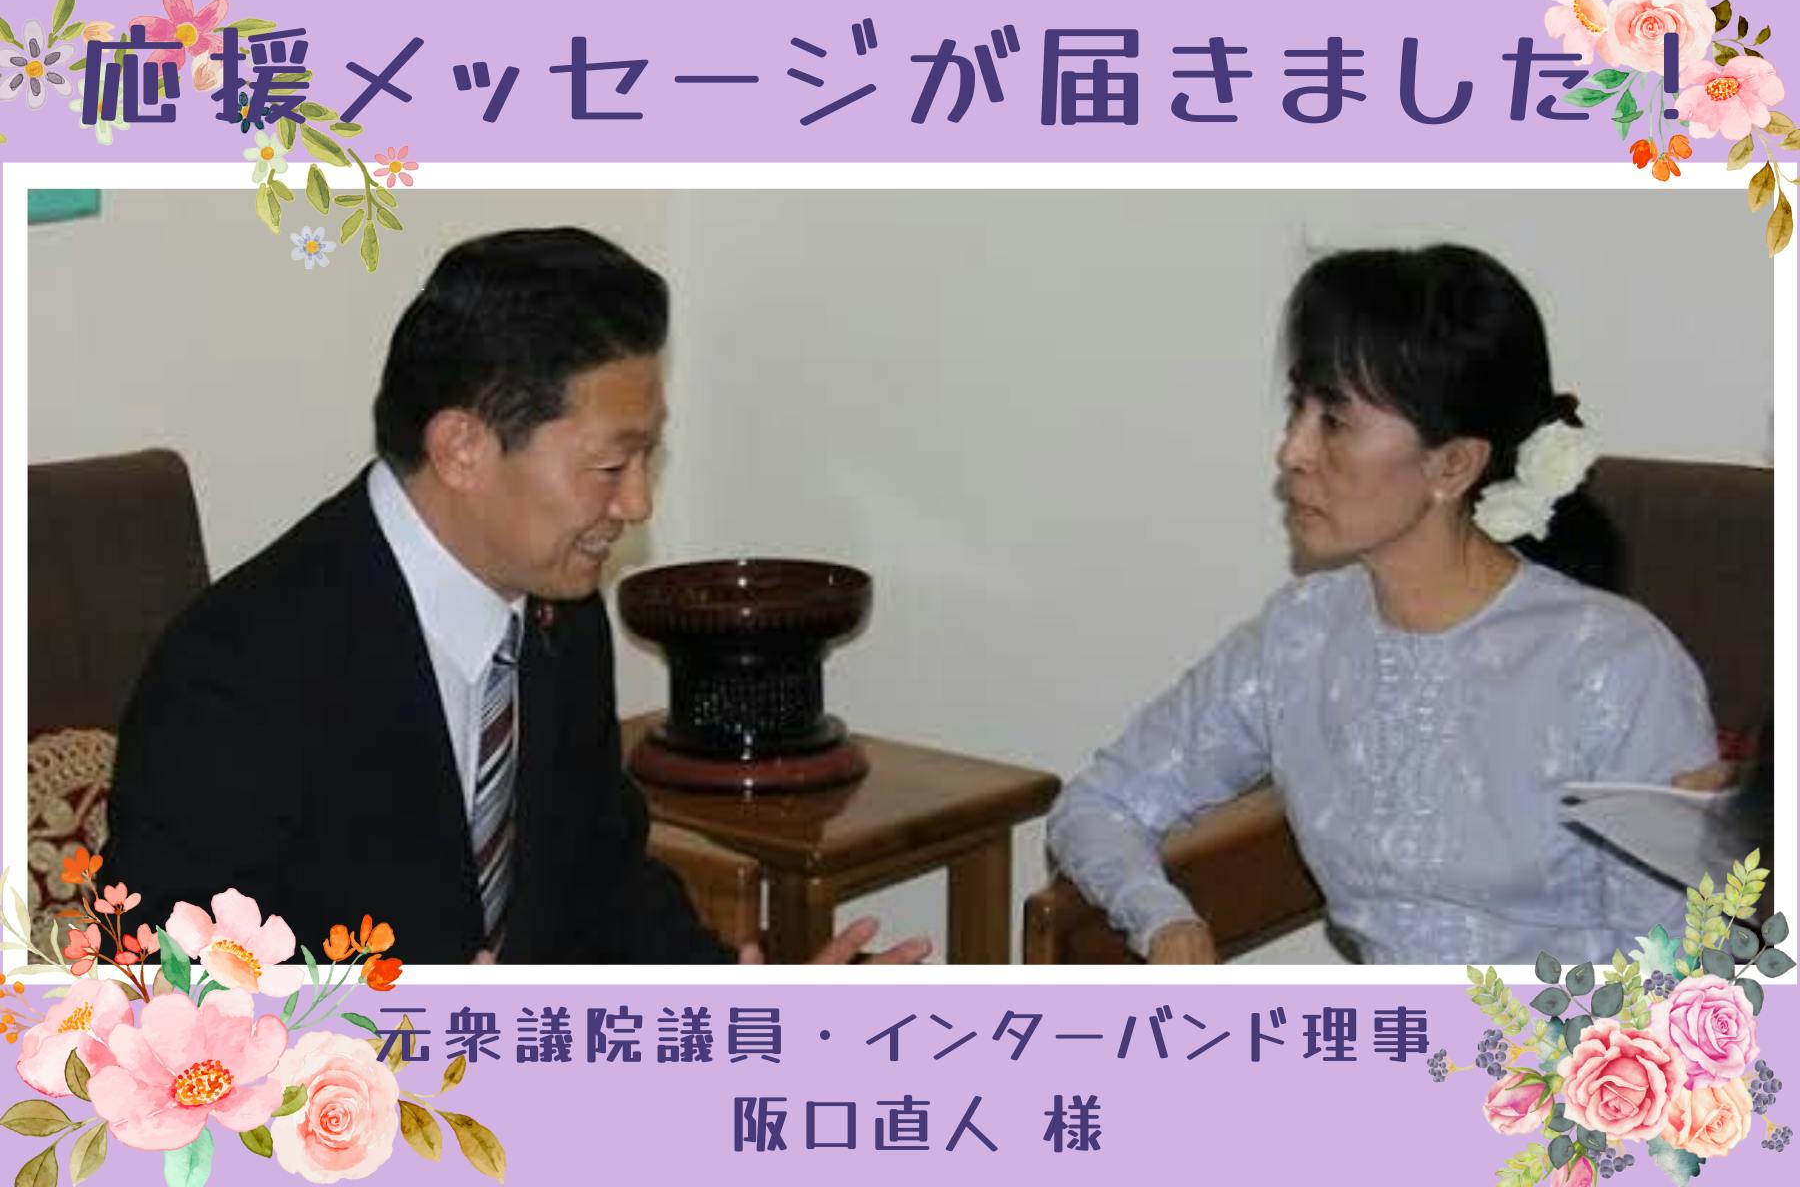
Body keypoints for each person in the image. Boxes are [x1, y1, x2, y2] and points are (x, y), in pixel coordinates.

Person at [103, 227, 930, 967]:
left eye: (650, 457)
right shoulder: (242, 673)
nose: (638, 502)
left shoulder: (557, 612)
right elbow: (163, 987)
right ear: (462, 447)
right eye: (610, 465)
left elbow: (602, 884)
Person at [1046, 244, 1728, 966]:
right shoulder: (1299, 638)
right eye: (1299, 407)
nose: (1292, 450)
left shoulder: (1614, 666)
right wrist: (1163, 920)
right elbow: (1101, 804)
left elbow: (1673, 969)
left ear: (1452, 464)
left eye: (1335, 421)